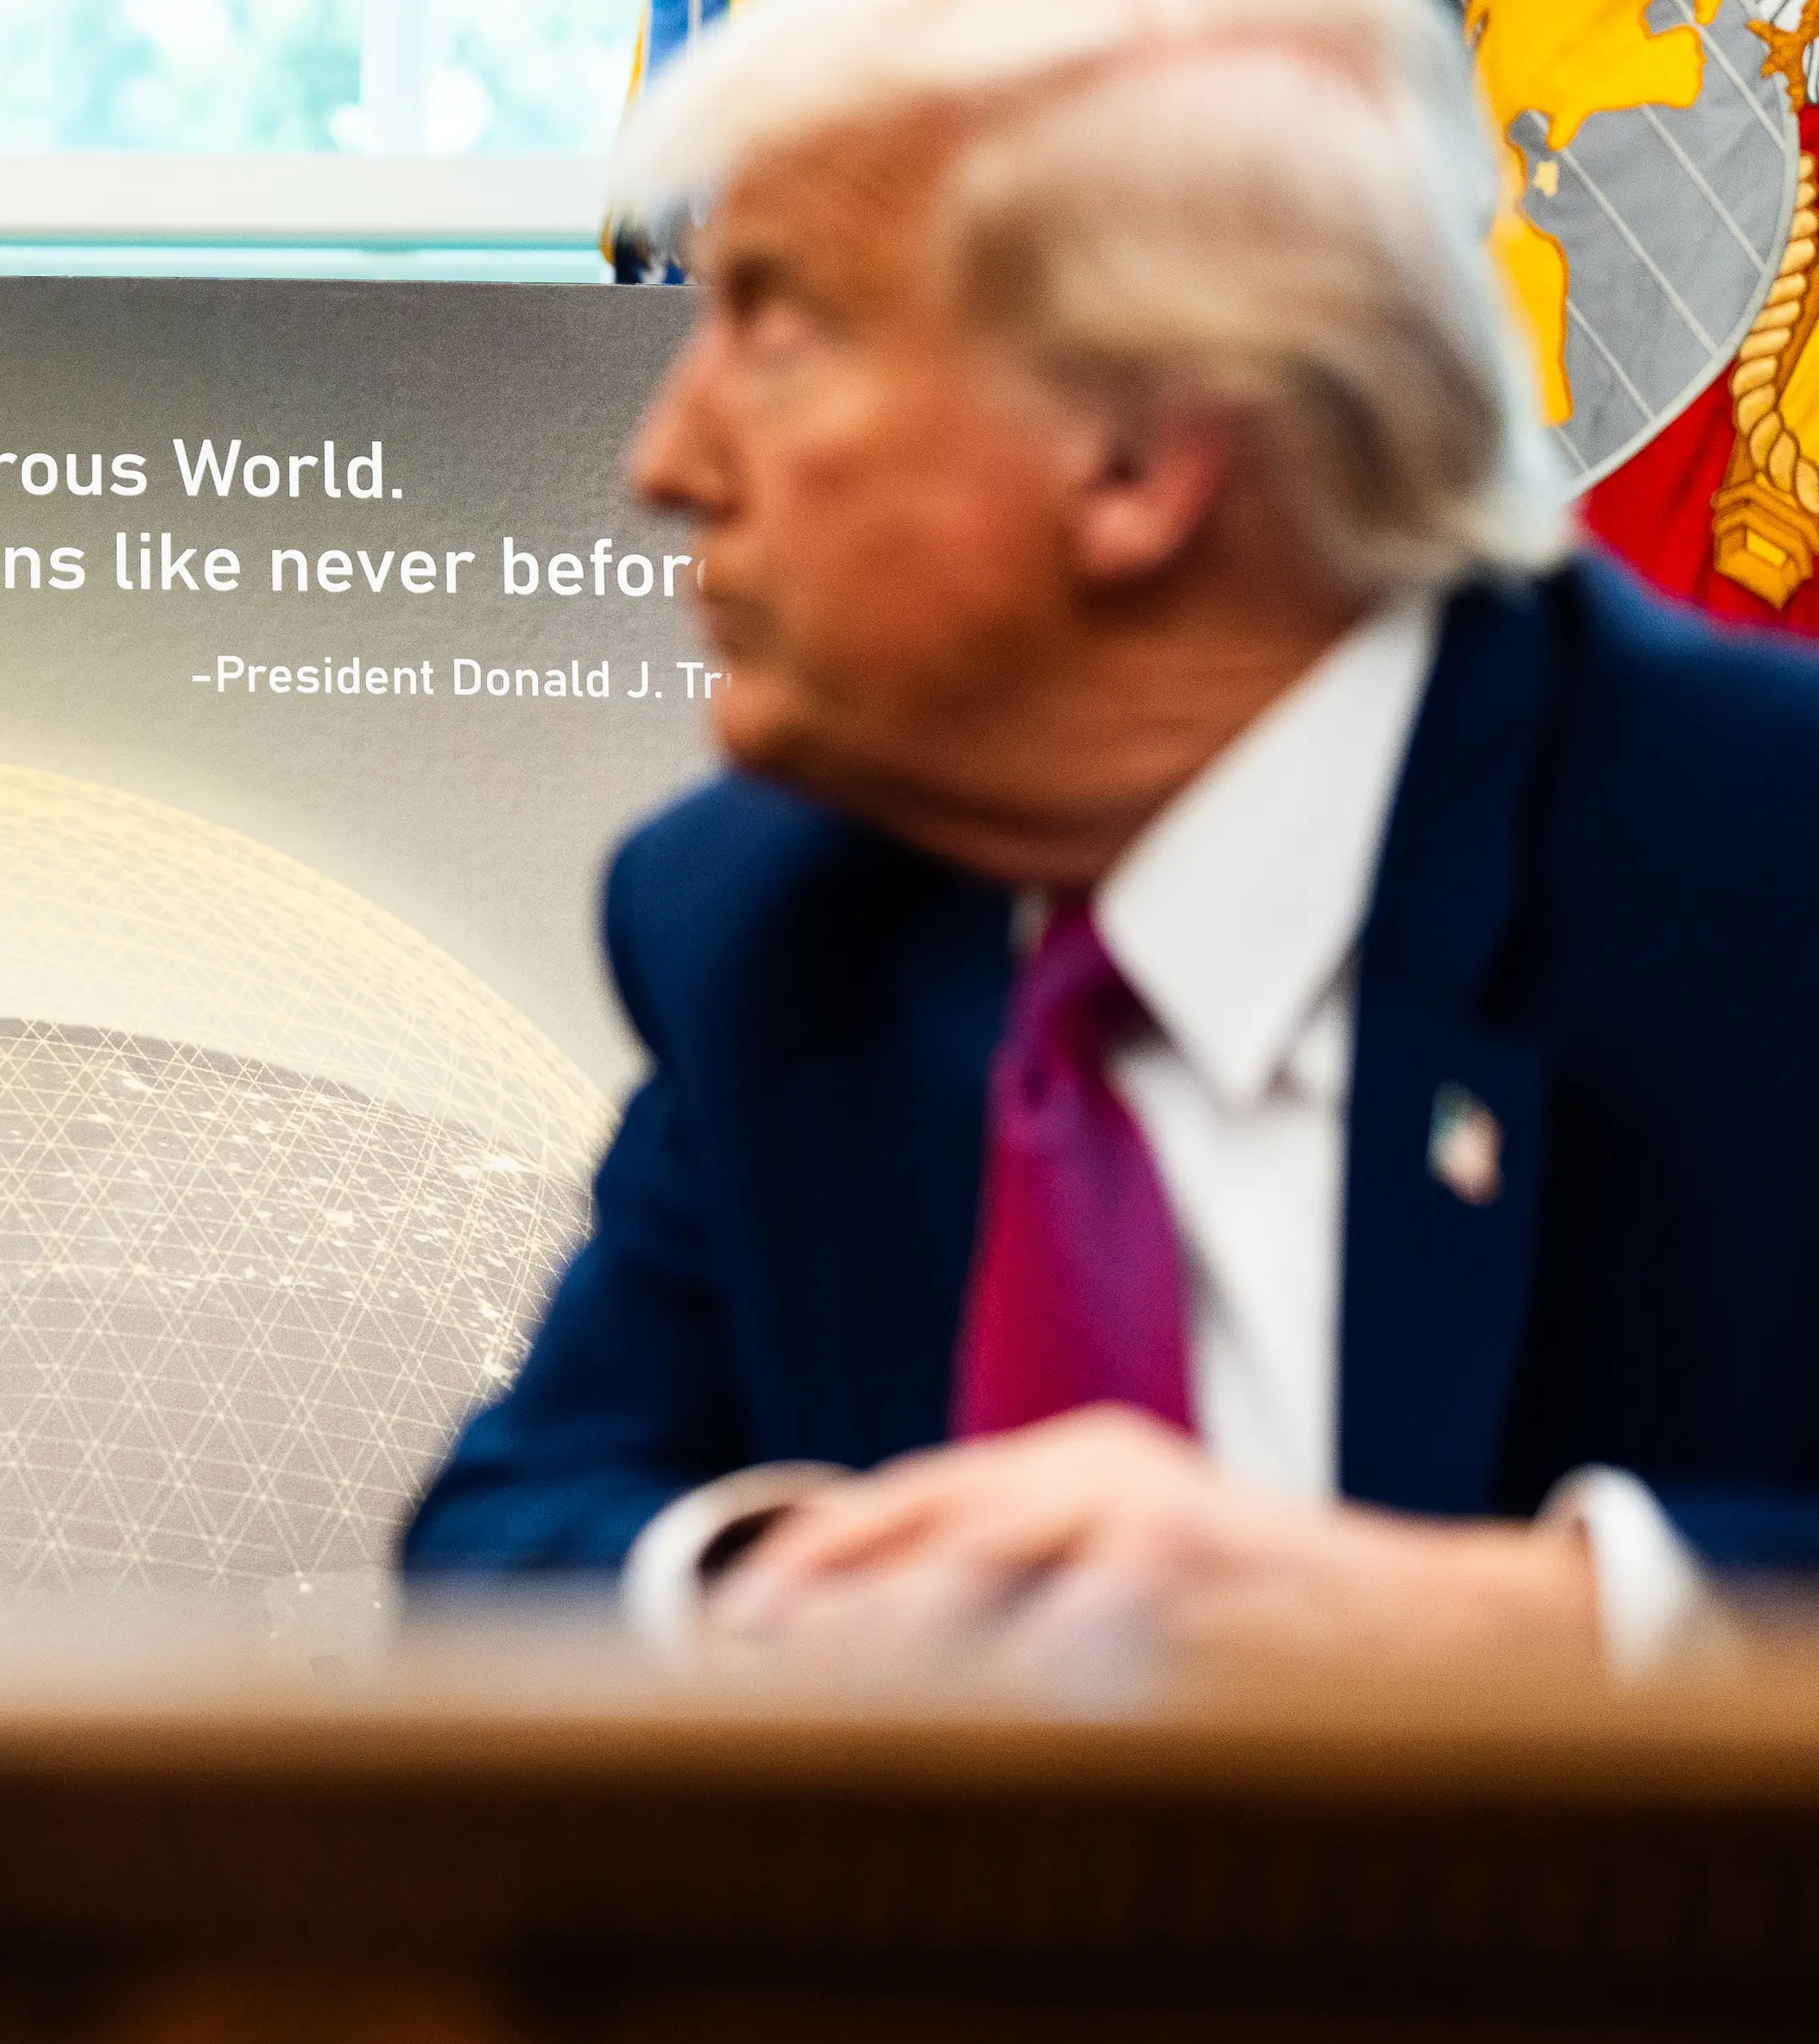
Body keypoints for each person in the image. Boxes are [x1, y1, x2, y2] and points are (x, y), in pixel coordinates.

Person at [402, 0, 1819, 1679]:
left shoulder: (1763, 862)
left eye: (779, 334)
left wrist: (1512, 1632)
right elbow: (498, 1553)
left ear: (1141, 459)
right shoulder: (772, 922)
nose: (665, 458)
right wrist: (791, 1588)